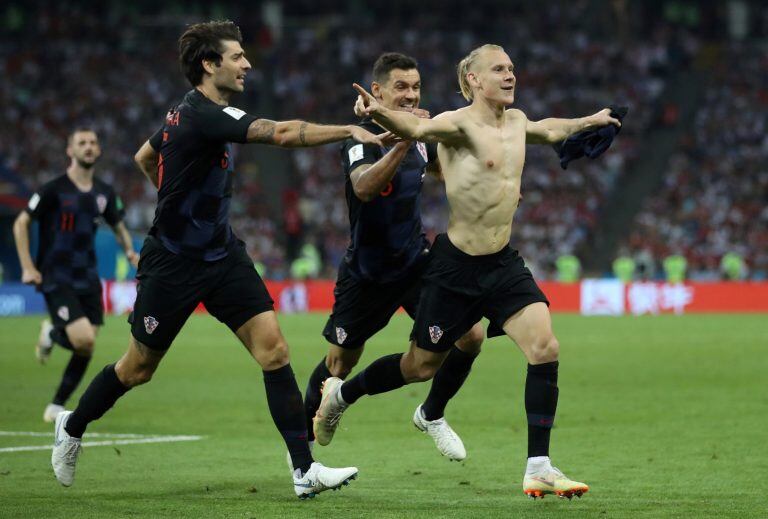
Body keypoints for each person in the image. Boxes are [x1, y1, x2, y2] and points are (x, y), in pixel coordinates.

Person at [50, 20, 384, 499]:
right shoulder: (203, 114)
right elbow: (283, 133)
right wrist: (349, 129)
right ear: (210, 65)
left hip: (221, 254)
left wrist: (175, 200)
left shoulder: (190, 114)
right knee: (138, 368)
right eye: (237, 56)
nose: (247, 63)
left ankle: (304, 470)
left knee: (275, 350)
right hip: (173, 262)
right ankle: (73, 424)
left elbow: (146, 154)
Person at [315, 44, 621, 499]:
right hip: (455, 269)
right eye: (499, 69)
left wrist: (588, 120)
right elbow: (414, 126)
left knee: (544, 346)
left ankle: (538, 465)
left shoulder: (516, 122)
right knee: (419, 366)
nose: (510, 75)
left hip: (502, 263)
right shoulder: (457, 124)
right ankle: (342, 396)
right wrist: (377, 112)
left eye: (513, 68)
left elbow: (547, 129)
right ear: (474, 80)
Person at [304, 53, 483, 463]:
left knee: (470, 336)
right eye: (401, 86)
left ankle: (432, 413)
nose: (411, 94)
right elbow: (364, 188)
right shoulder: (361, 136)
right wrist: (403, 139)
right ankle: (305, 453)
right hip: (366, 273)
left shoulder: (422, 135)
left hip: (415, 263)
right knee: (339, 362)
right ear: (378, 91)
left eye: (416, 86)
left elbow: (442, 169)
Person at [12, 129, 139, 423]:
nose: (89, 147)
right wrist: (28, 267)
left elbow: (118, 225)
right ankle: (54, 333)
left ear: (99, 150)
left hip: (88, 275)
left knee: (87, 343)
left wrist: (130, 251)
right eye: (82, 143)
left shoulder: (104, 193)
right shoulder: (53, 189)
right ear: (70, 151)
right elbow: (21, 223)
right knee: (82, 340)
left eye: (93, 142)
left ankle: (57, 403)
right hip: (56, 274)